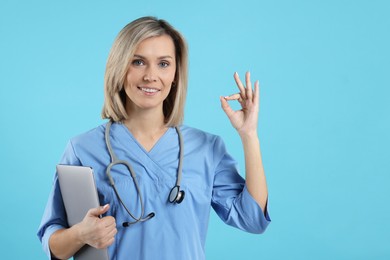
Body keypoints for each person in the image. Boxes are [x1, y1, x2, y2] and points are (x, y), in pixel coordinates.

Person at [37, 16, 271, 260]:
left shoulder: (206, 149)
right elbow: (54, 245)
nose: (151, 76)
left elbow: (252, 220)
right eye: (138, 62)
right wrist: (80, 235)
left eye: (163, 64)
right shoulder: (83, 149)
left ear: (175, 74)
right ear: (120, 67)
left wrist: (249, 135)